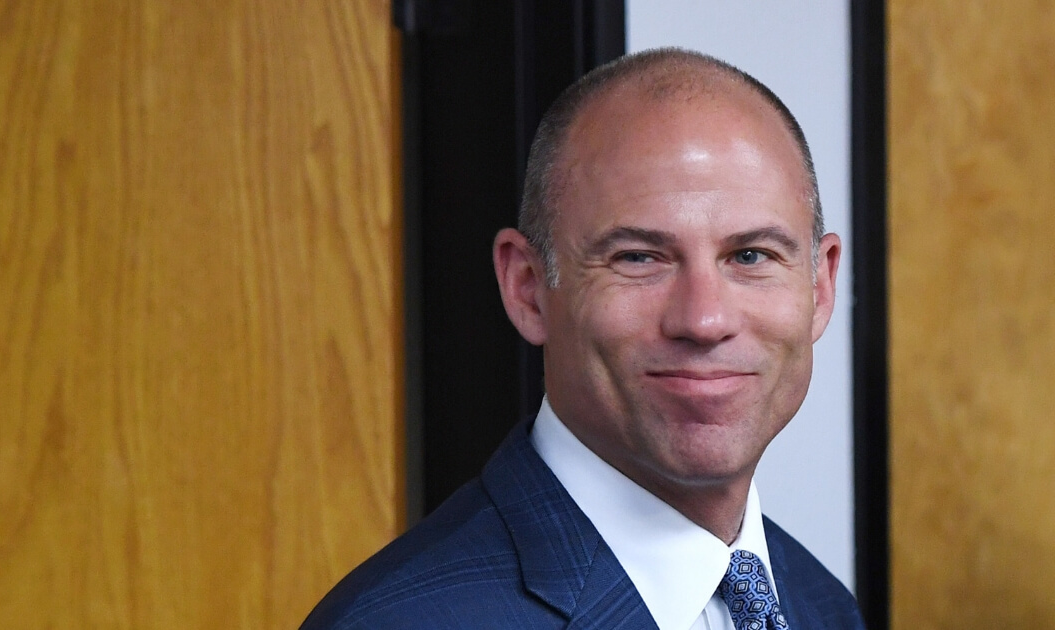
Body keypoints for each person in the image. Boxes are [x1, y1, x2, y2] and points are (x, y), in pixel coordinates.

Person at [302, 47, 865, 630]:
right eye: (639, 257)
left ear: (819, 287)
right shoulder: (404, 621)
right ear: (526, 288)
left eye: (751, 256)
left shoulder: (820, 605)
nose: (703, 320)